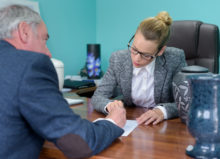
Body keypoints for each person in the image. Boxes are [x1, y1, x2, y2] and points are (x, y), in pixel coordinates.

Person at [0, 4, 126, 159]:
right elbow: (79, 143)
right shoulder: (30, 65)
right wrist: (112, 122)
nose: (48, 53)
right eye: (44, 40)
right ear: (24, 31)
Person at [91, 11, 187, 126]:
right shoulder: (118, 59)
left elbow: (186, 102)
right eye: (134, 49)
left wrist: (162, 111)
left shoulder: (174, 59)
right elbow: (98, 96)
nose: (136, 59)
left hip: (163, 127)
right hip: (131, 122)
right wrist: (109, 106)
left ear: (160, 51)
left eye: (146, 55)